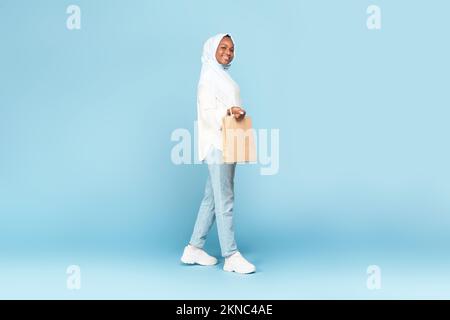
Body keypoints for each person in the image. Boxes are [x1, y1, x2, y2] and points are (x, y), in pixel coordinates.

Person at [180, 33, 256, 274]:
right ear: (212, 48)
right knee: (225, 199)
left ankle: (193, 248)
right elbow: (208, 113)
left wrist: (234, 113)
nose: (228, 52)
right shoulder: (208, 78)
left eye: (232, 49)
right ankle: (231, 255)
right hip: (218, 144)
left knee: (212, 199)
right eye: (223, 47)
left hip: (228, 140)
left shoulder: (221, 75)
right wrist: (228, 111)